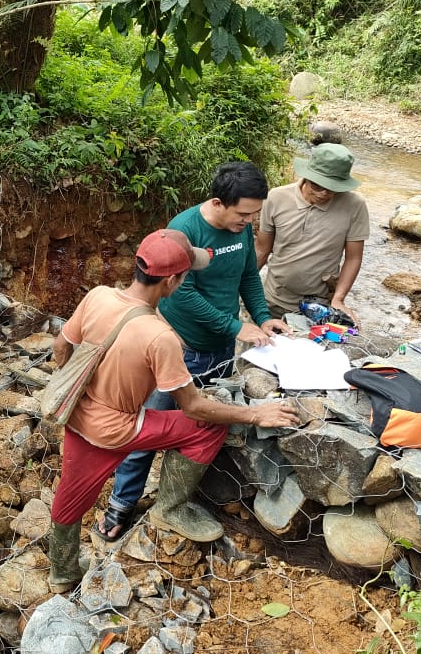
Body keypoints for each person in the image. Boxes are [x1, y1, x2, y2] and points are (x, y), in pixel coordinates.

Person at [47, 229, 298, 592]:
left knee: (70, 497)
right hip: (119, 427)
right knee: (208, 429)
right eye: (185, 275)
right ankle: (169, 509)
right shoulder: (158, 337)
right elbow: (194, 408)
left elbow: (61, 346)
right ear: (171, 280)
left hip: (76, 415)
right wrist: (257, 414)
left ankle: (63, 574)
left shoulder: (98, 296)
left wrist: (79, 392)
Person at [97, 161, 289, 542]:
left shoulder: (242, 231)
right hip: (179, 348)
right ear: (218, 202)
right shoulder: (185, 230)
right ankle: (121, 503)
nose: (250, 222)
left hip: (219, 349)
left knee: (206, 425)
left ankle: (177, 499)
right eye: (243, 214)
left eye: (256, 214)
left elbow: (249, 275)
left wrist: (262, 318)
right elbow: (182, 294)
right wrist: (236, 327)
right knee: (147, 428)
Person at [255, 143, 369, 323]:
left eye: (333, 188)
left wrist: (338, 299)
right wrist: (239, 287)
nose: (324, 193)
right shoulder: (276, 198)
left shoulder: (355, 205)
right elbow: (261, 249)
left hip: (318, 306)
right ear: (307, 176)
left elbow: (353, 258)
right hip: (272, 299)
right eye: (318, 185)